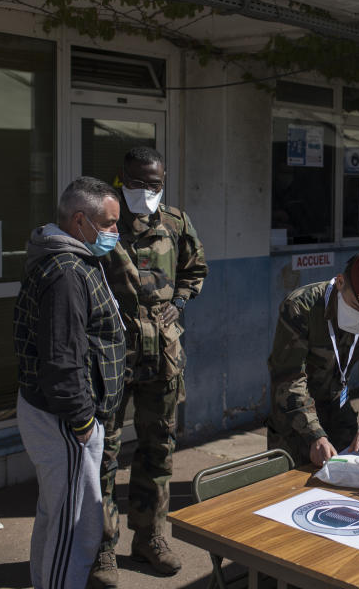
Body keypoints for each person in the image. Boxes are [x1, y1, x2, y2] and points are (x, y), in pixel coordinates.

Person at [90, 147, 208, 588]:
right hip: (111, 357)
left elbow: (196, 270)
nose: (145, 192)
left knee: (158, 448)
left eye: (153, 184)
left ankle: (150, 537)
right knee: (103, 455)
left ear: (164, 181)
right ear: (121, 179)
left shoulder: (175, 222)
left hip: (164, 356)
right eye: (136, 183)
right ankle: (102, 546)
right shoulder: (104, 224)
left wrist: (178, 302)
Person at [13, 176, 125, 589]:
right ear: (80, 221)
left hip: (62, 416)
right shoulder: (65, 272)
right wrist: (81, 423)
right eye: (110, 224)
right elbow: (62, 361)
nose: (116, 232)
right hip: (65, 420)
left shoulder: (75, 259)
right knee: (74, 527)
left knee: (56, 514)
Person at [266, 249, 359, 467]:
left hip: (339, 411)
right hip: (295, 418)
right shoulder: (301, 307)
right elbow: (288, 378)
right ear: (340, 282)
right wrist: (315, 435)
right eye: (356, 306)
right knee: (290, 489)